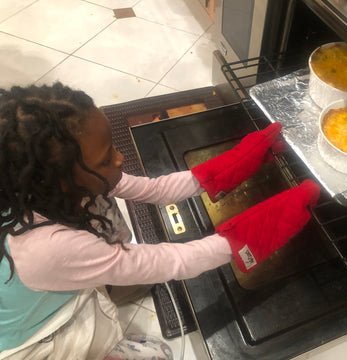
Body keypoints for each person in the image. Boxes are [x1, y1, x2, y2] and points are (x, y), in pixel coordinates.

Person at [0, 83, 320, 359]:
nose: (119, 158)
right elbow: (172, 261)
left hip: (56, 274)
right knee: (159, 354)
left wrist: (233, 164)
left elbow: (155, 189)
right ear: (62, 180)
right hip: (35, 338)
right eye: (106, 156)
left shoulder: (52, 184)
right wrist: (256, 230)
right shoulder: (51, 248)